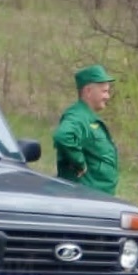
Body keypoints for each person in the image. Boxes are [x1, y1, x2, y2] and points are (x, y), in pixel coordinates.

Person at [53, 64, 118, 195]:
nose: (107, 97)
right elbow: (63, 136)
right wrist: (79, 162)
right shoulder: (78, 116)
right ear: (88, 91)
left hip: (98, 194)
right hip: (85, 195)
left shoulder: (87, 116)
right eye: (104, 91)